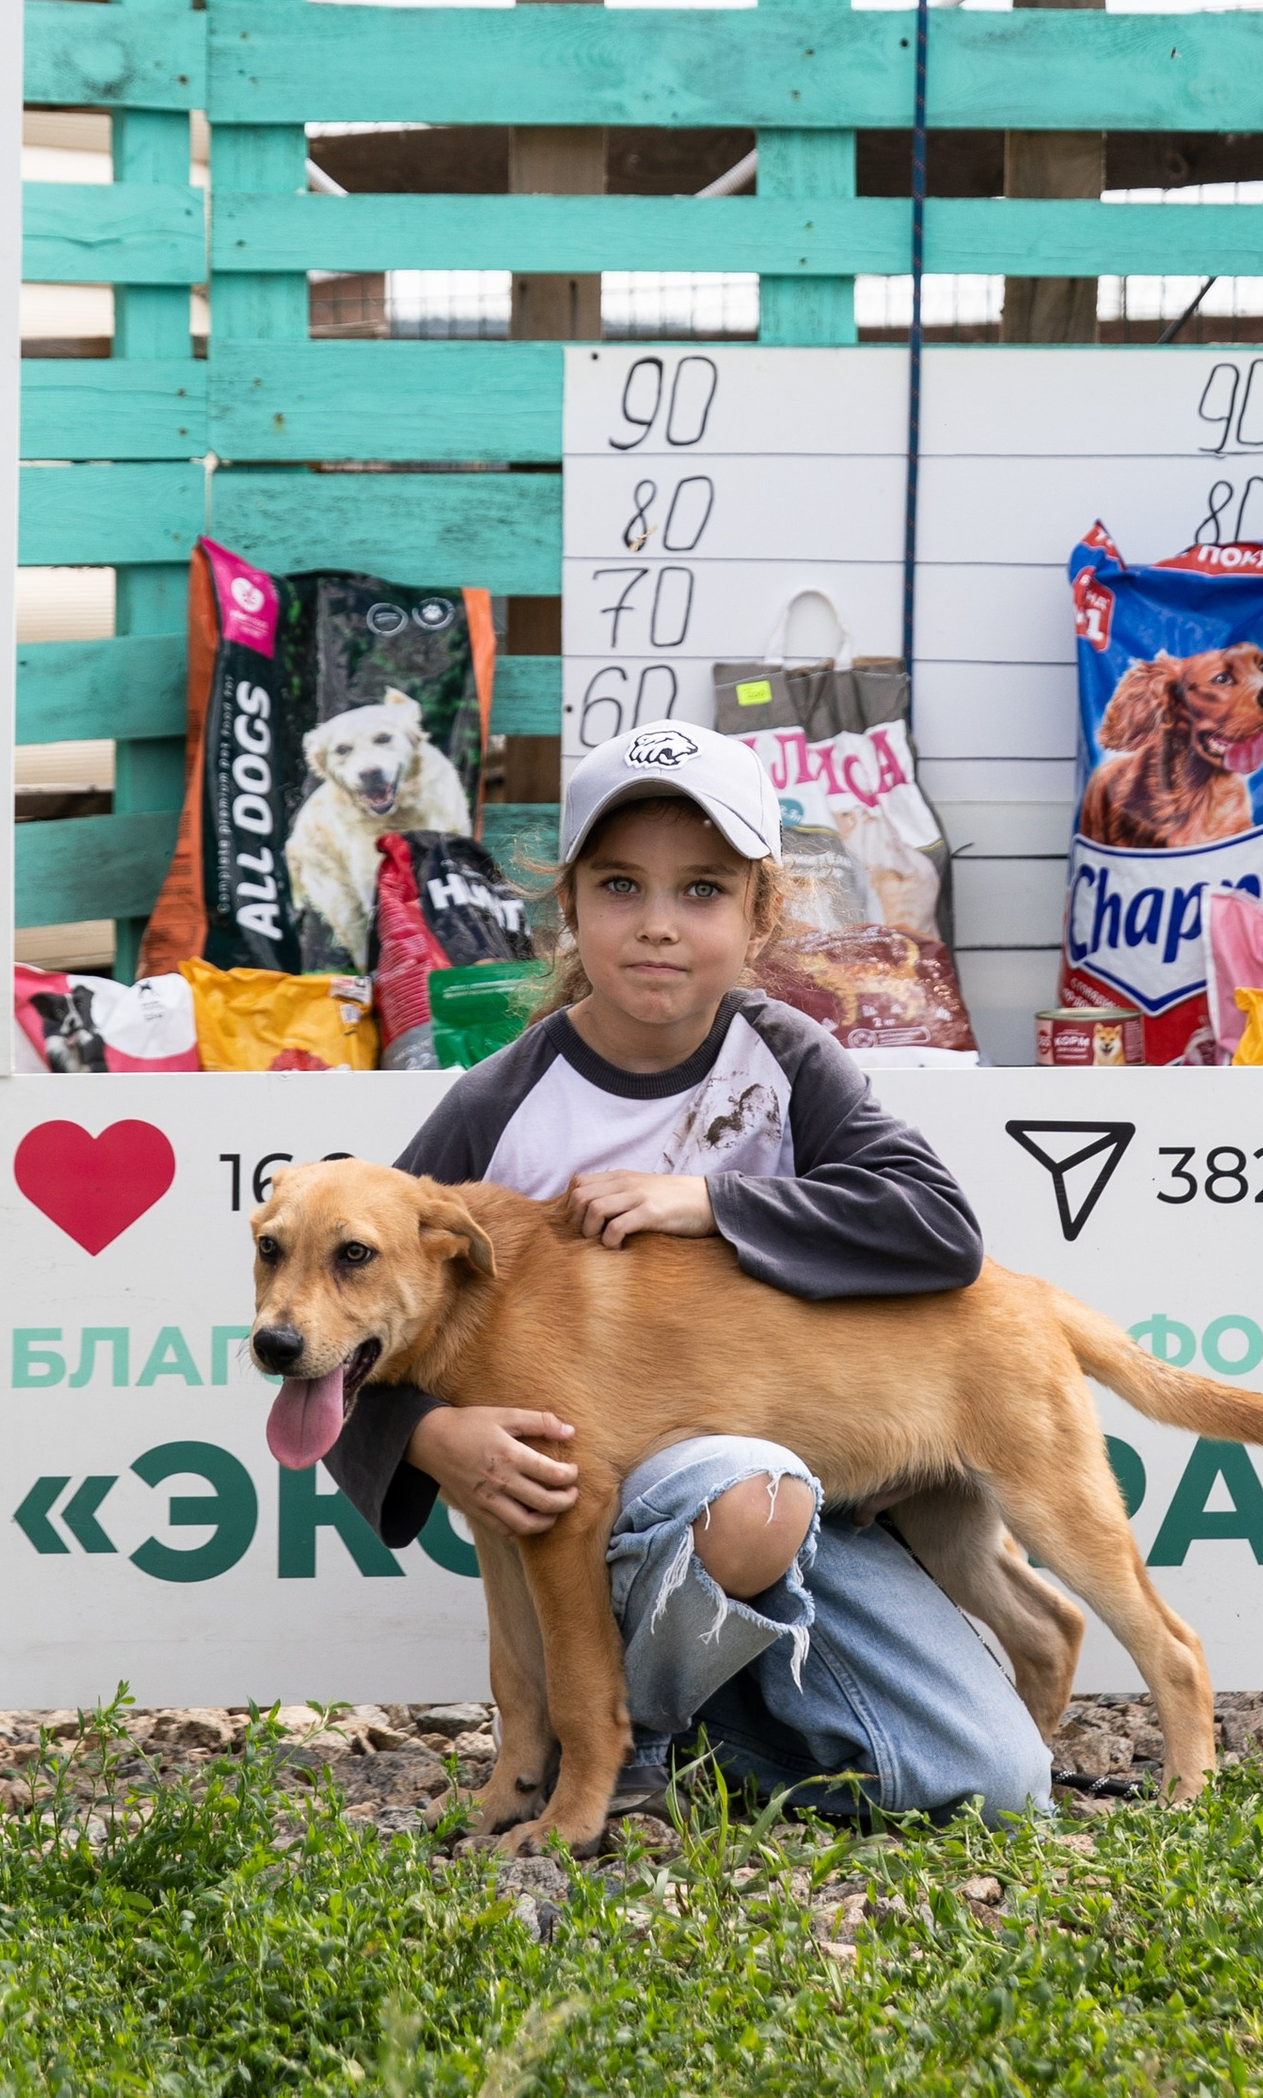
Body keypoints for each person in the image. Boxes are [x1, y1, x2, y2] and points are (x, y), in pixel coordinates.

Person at [324, 720, 1051, 1824]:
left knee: (992, 1783)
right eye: (620, 886)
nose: (658, 924)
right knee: (745, 1490)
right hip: (620, 1519)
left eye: (703, 890)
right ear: (568, 907)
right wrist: (430, 1437)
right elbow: (345, 1324)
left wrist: (711, 1202)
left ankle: (702, 1733)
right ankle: (619, 1746)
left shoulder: (789, 1057)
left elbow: (936, 1228)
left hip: (814, 1504)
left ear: (760, 915)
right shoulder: (496, 1107)